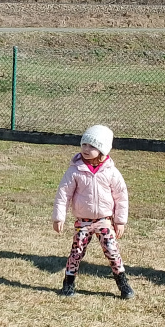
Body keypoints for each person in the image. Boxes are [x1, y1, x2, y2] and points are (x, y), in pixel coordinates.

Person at [52, 125, 134, 299]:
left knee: (112, 251)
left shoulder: (111, 172)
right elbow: (63, 194)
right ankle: (68, 283)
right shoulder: (75, 170)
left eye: (92, 146)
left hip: (104, 221)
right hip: (83, 221)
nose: (86, 149)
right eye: (84, 144)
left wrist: (120, 221)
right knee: (77, 251)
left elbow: (121, 196)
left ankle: (123, 283)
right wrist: (59, 217)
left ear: (102, 150)